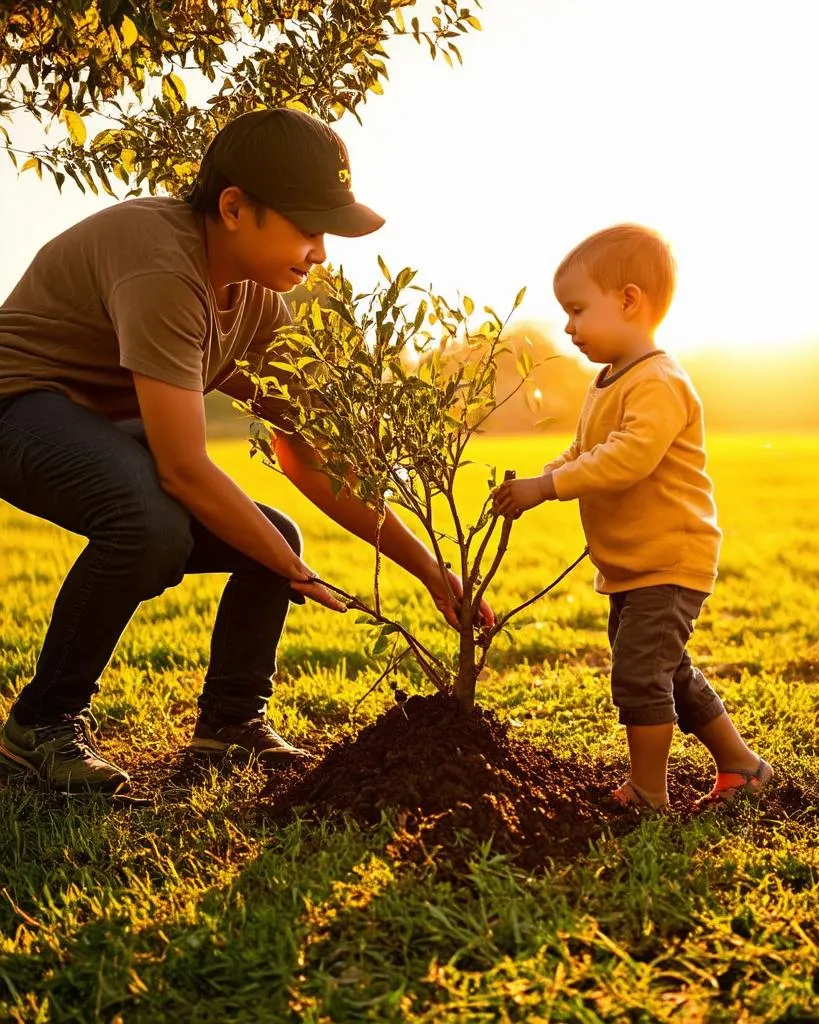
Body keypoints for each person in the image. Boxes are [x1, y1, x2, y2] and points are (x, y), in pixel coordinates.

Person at [0, 107, 492, 794]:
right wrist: (293, 568)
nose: (321, 250)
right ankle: (41, 722)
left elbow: (312, 458)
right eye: (307, 228)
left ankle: (230, 726)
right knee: (151, 526)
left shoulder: (260, 304)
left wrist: (432, 571)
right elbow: (182, 467)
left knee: (270, 534)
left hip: (102, 424)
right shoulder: (161, 265)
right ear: (234, 207)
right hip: (18, 405)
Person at [491, 224, 771, 810]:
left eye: (576, 309)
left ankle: (649, 791)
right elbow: (584, 448)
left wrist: (550, 488)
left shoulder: (659, 382)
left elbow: (627, 458)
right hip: (634, 564)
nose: (568, 327)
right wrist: (540, 477)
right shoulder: (608, 381)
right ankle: (741, 764)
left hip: (669, 558)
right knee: (667, 672)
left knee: (641, 676)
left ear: (628, 300)